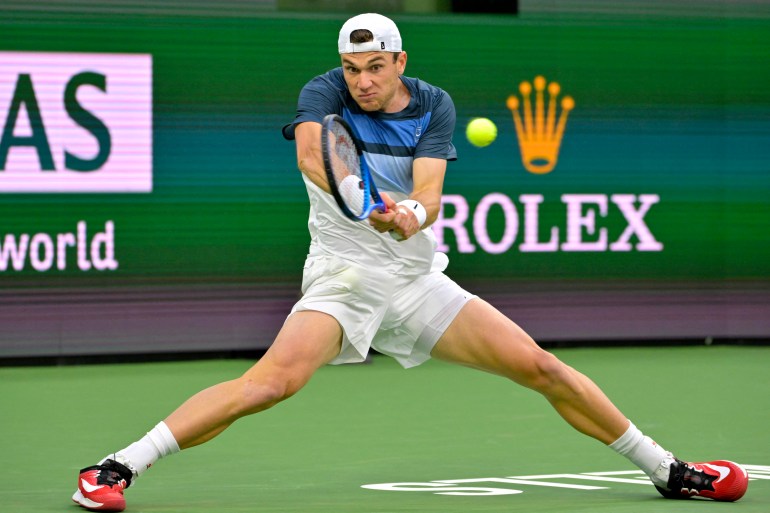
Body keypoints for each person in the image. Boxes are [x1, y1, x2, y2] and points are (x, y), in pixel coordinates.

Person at [71, 13, 749, 512]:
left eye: (374, 66)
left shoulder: (432, 105)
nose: (360, 80)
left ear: (399, 61)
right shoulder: (321, 94)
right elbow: (314, 157)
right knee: (269, 384)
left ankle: (667, 469)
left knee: (542, 366)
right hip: (343, 276)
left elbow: (429, 195)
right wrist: (366, 202)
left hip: (417, 279)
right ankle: (115, 467)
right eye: (351, 67)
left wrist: (410, 217)